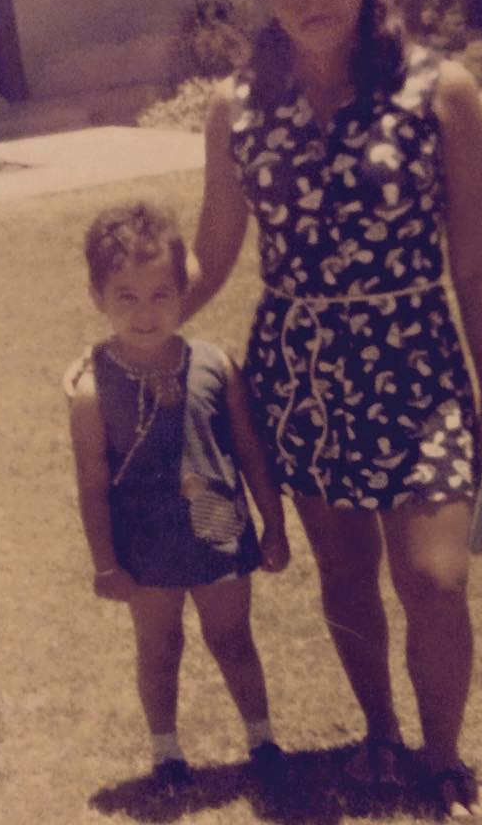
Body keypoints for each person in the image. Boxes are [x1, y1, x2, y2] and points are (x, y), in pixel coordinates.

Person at [183, 0, 482, 817]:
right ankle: (379, 735)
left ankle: (441, 758)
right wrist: (142, 319)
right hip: (302, 371)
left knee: (434, 578)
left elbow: (479, 263)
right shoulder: (235, 110)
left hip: (416, 364)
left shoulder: (438, 91)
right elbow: (213, 252)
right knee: (344, 577)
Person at [64, 201, 290, 790]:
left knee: (234, 640)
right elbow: (91, 485)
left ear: (182, 292)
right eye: (126, 296)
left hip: (220, 539)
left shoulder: (215, 365)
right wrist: (105, 564)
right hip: (145, 557)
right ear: (98, 296)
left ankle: (263, 741)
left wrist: (275, 524)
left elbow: (249, 453)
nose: (145, 312)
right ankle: (167, 754)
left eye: (161, 294)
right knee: (160, 649)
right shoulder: (91, 389)